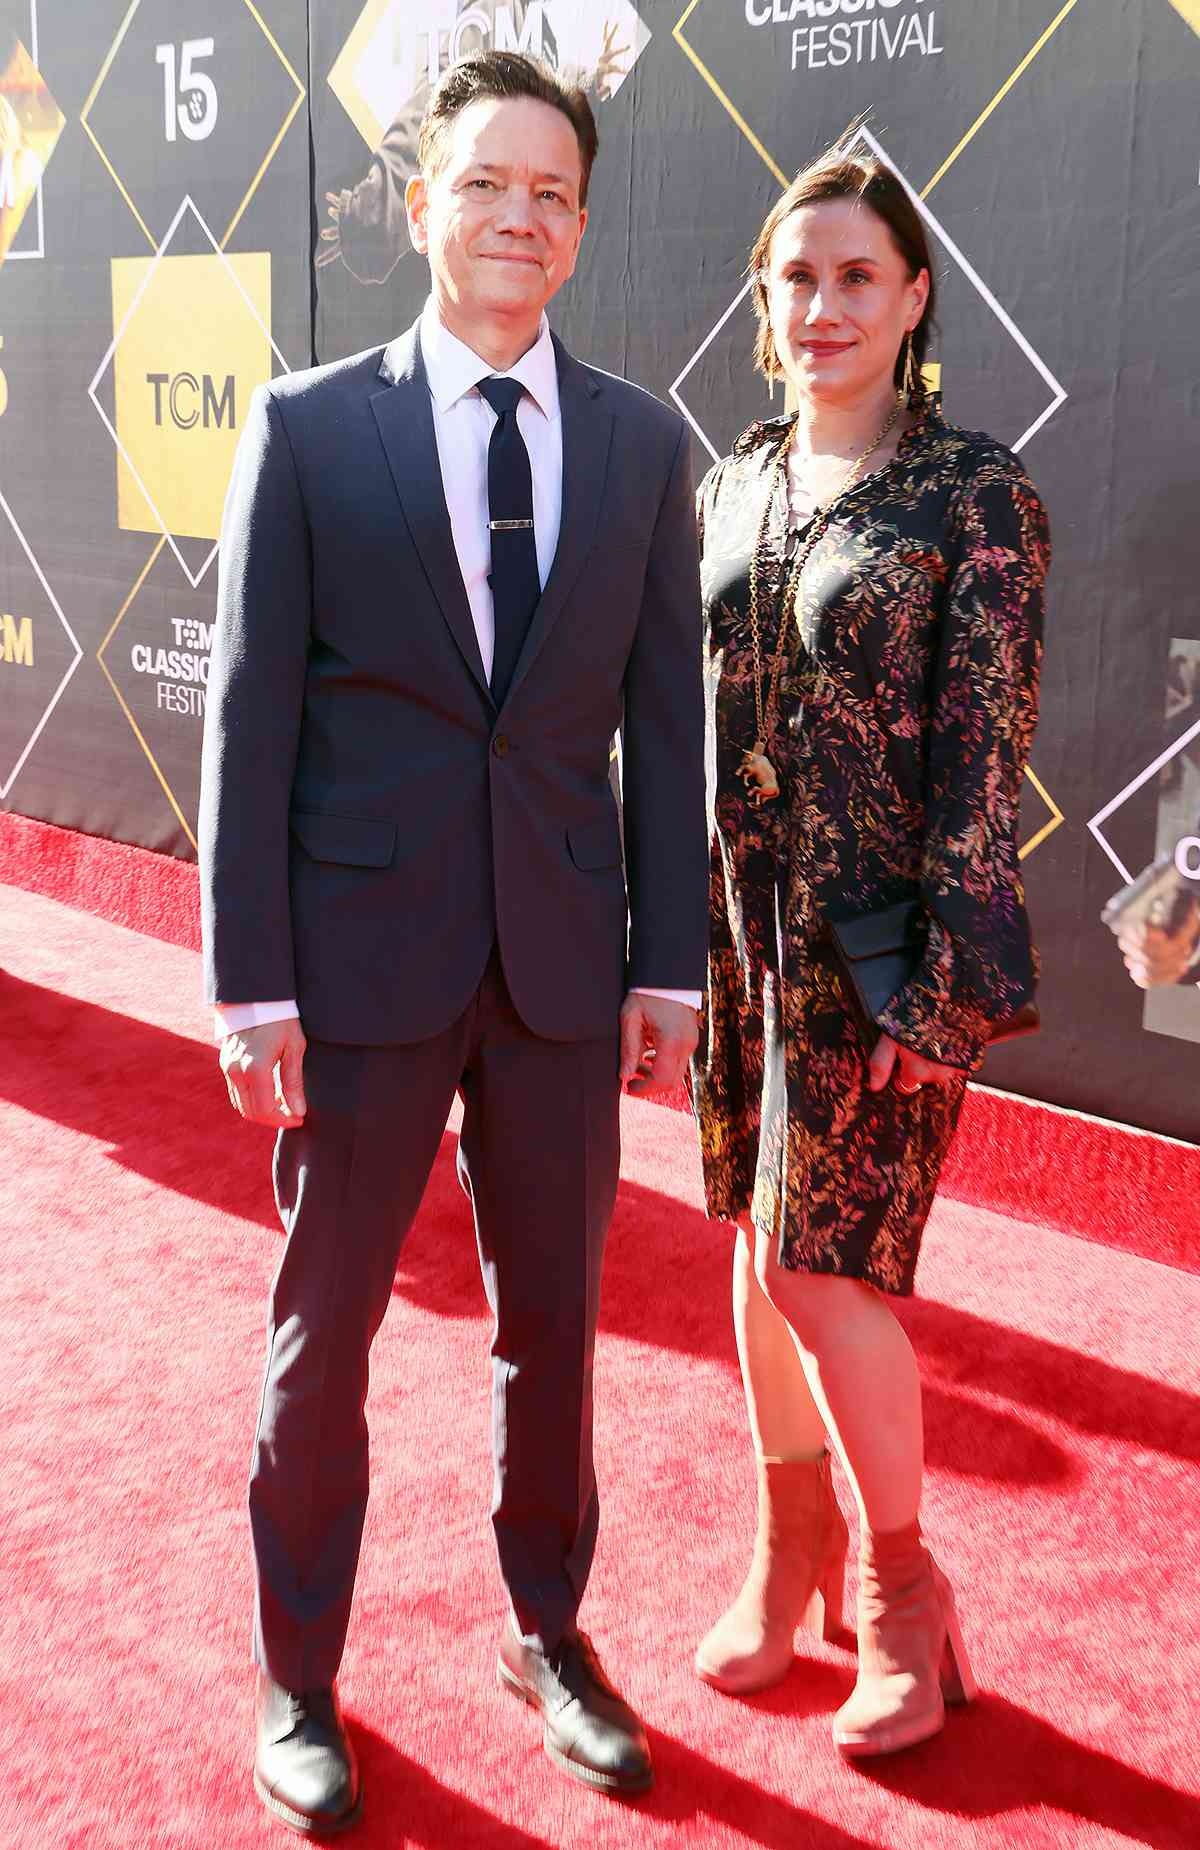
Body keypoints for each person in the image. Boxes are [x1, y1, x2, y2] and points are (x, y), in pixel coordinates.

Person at [199, 51, 706, 1833]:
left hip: (565, 966)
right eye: (486, 182)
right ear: (420, 201)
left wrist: (670, 968)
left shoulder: (647, 445)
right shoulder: (309, 426)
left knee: (555, 1328)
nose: (520, 216)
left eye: (554, 192)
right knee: (320, 1332)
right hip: (354, 964)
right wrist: (247, 981)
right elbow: (251, 720)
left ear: (581, 225)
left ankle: (550, 1629)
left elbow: (664, 716)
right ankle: (298, 1670)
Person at [689, 143, 1049, 1758]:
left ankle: (904, 1587)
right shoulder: (731, 478)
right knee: (748, 1253)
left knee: (812, 1260)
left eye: (856, 275)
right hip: (739, 937)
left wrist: (950, 980)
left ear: (913, 299)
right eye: (796, 275)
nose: (823, 303)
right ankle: (791, 1546)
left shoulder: (980, 495)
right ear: (763, 304)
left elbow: (988, 760)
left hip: (882, 951)